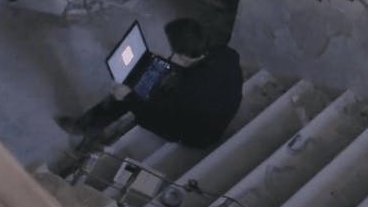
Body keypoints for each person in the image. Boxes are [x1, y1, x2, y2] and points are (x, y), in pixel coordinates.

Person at [57, 18, 243, 149]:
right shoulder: (224, 52)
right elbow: (192, 74)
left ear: (182, 57)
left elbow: (154, 120)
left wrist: (128, 97)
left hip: (199, 135)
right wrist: (163, 66)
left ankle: (87, 128)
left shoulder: (188, 91)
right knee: (140, 79)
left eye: (173, 53)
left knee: (127, 93)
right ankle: (92, 125)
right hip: (216, 106)